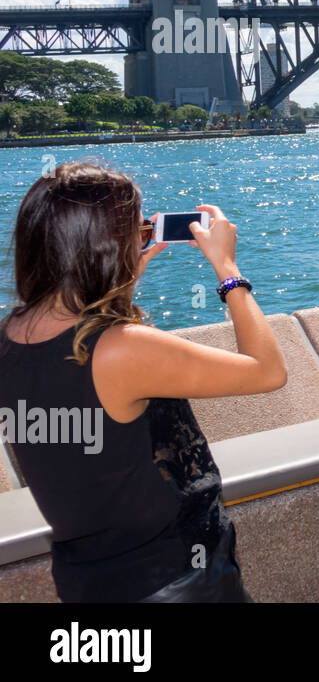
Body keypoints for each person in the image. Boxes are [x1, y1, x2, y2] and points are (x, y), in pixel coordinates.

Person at [0, 162, 286, 601]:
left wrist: (119, 281)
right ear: (105, 245)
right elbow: (267, 370)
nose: (145, 237)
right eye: (138, 229)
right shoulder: (123, 349)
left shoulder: (12, 335)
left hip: (89, 577)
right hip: (176, 577)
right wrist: (228, 271)